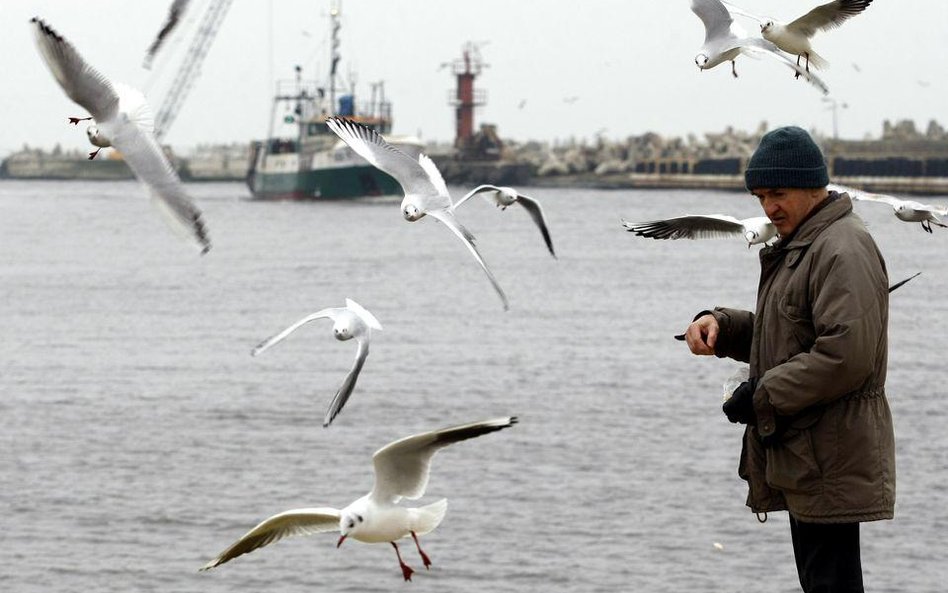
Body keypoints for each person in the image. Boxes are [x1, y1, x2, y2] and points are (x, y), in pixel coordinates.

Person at [683, 126, 895, 593]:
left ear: (813, 187)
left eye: (778, 193)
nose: (768, 208)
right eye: (760, 196)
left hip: (829, 453)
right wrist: (724, 327)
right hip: (810, 452)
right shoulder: (808, 244)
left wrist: (761, 395)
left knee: (831, 584)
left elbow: (845, 356)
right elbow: (790, 333)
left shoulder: (841, 248)